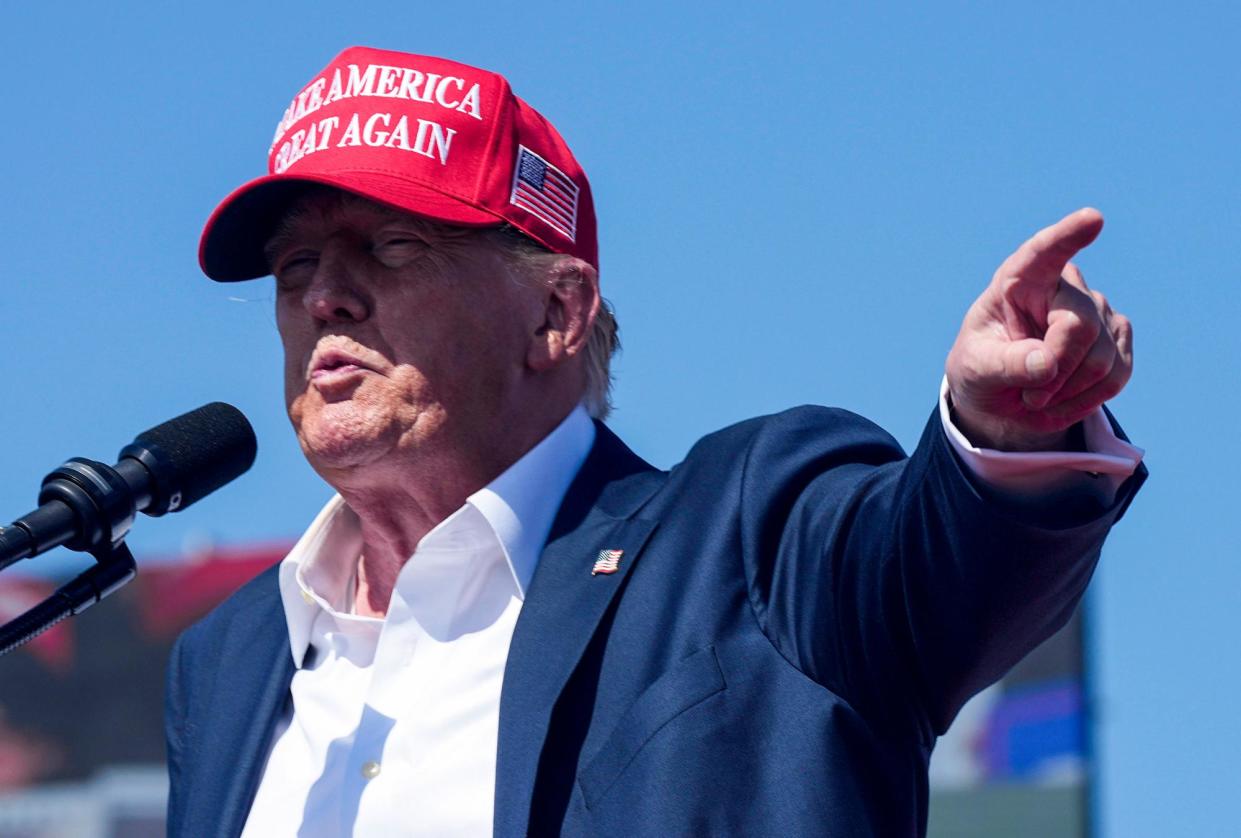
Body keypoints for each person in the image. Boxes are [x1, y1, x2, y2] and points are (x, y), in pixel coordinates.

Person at [164, 46, 1145, 837]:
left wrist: (1005, 431)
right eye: (295, 265)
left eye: (389, 247)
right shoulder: (228, 661)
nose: (324, 296)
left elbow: (941, 566)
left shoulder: (747, 532)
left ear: (556, 312)